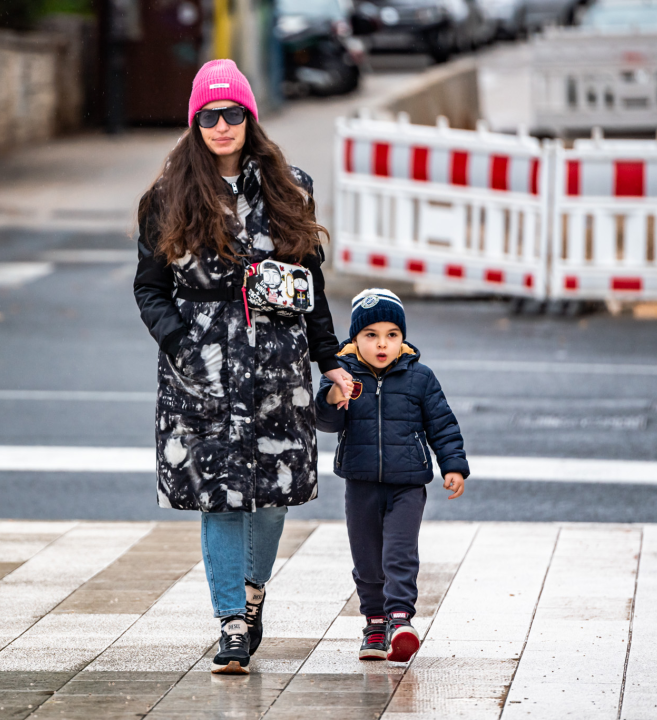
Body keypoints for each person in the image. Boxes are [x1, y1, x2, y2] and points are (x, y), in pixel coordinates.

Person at [133, 59, 354, 675]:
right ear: (195, 123)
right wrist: (181, 345)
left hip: (278, 371)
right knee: (221, 499)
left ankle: (254, 597)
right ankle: (230, 623)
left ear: (250, 119)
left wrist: (330, 361)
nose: (223, 125)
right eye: (210, 116)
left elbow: (311, 285)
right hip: (201, 374)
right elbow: (149, 288)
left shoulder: (291, 187)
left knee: (273, 496)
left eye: (233, 114)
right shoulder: (166, 197)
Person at [315, 288, 469, 662]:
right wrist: (335, 397)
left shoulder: (420, 377)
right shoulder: (341, 373)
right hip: (361, 482)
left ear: (402, 337)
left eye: (391, 335)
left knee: (399, 554)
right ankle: (374, 625)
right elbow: (325, 421)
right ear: (355, 338)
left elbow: (443, 424)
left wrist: (452, 465)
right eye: (371, 335)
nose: (382, 344)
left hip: (408, 484)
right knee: (367, 558)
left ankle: (400, 619)